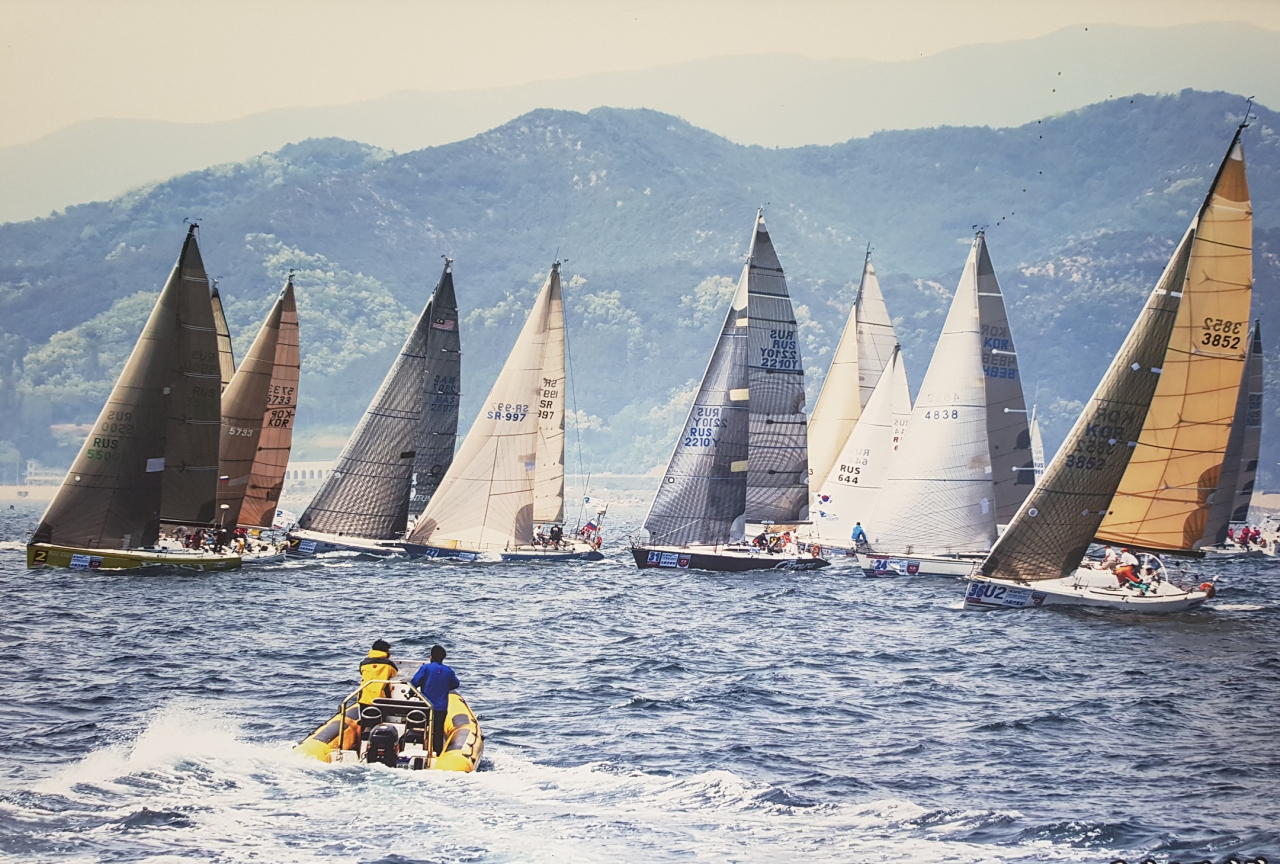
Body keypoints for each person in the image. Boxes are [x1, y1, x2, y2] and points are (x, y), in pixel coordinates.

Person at [411, 645, 460, 756]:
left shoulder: (425, 668)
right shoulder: (448, 671)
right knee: (438, 732)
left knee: (423, 729)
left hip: (426, 705)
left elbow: (414, 682)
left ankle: (421, 750)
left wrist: (411, 693)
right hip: (441, 707)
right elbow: (455, 684)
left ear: (431, 657)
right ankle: (437, 753)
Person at [358, 639, 398, 705]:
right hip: (381, 699)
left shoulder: (363, 663)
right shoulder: (388, 664)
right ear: (386, 651)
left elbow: (361, 673)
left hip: (364, 698)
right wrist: (387, 658)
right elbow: (394, 674)